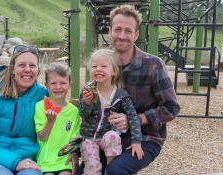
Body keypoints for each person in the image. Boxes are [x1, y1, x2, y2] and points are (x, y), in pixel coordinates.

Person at [76, 5, 180, 175]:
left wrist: (136, 119)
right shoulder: (102, 66)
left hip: (145, 137)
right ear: (110, 32)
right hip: (105, 136)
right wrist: (76, 147)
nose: (122, 36)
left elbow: (171, 107)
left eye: (128, 31)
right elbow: (90, 113)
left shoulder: (153, 65)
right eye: (117, 30)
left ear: (136, 34)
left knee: (116, 170)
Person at [0, 45, 48, 175]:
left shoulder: (43, 95)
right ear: (12, 69)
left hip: (28, 161)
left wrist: (74, 152)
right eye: (22, 65)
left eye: (32, 65)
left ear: (38, 70)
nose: (27, 70)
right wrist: (16, 162)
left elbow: (63, 120)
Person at [78, 49, 143, 175]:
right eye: (94, 66)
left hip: (107, 137)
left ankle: (110, 169)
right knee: (92, 169)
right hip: (89, 138)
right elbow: (83, 115)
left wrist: (136, 141)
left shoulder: (121, 95)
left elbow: (133, 117)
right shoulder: (87, 92)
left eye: (103, 66)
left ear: (113, 71)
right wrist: (87, 103)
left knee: (112, 136)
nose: (98, 69)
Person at [34, 63, 80, 175]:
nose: (58, 87)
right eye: (53, 83)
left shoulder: (74, 111)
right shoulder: (40, 107)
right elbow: (42, 137)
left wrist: (74, 150)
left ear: (70, 85)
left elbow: (74, 139)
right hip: (45, 161)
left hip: (65, 160)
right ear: (46, 85)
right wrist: (50, 122)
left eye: (63, 83)